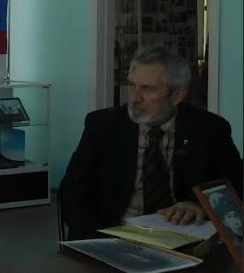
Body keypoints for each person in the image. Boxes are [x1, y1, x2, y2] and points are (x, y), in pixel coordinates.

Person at [60, 45, 242, 240]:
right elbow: (72, 192)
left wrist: (201, 206)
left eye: (147, 89)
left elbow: (237, 187)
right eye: (132, 85)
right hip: (113, 235)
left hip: (183, 239)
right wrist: (97, 243)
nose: (134, 98)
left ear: (177, 96)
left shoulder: (209, 129)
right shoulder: (103, 126)